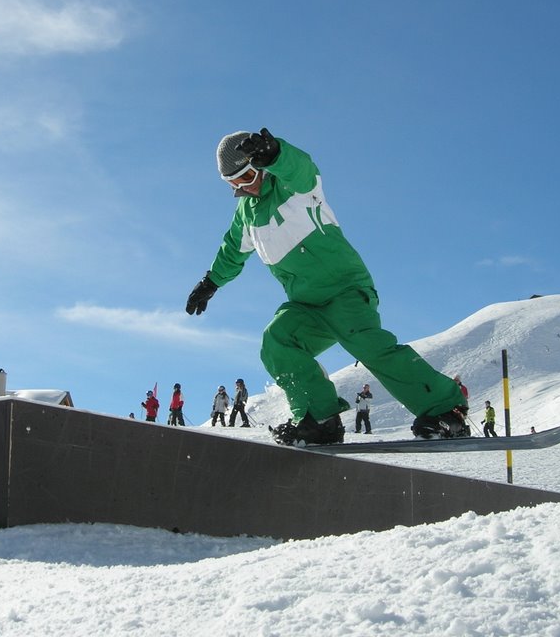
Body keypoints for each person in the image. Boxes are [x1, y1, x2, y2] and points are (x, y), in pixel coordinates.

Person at [185, 128, 468, 446]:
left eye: (247, 175)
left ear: (261, 165)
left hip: (345, 289)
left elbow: (302, 169)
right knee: (277, 340)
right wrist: (210, 282)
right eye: (233, 183)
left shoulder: (296, 189)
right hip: (307, 305)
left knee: (369, 346)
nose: (242, 188)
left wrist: (278, 153)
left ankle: (446, 410)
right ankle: (320, 418)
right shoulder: (246, 216)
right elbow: (231, 251)